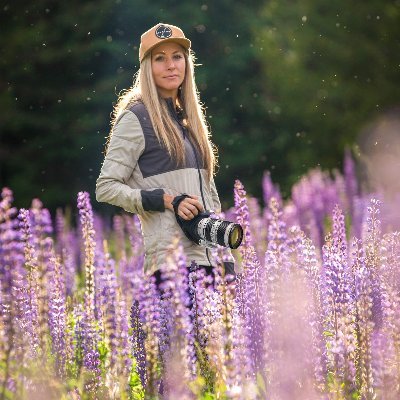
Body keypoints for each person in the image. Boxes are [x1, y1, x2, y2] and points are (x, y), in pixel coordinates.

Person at [96, 22, 235, 286]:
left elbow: (212, 201)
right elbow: (106, 188)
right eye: (160, 59)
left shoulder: (190, 121)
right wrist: (166, 200)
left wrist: (225, 260)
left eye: (177, 57)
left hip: (210, 267)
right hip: (171, 268)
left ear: (187, 62)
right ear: (147, 67)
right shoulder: (136, 118)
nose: (171, 65)